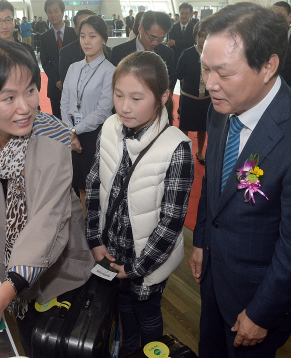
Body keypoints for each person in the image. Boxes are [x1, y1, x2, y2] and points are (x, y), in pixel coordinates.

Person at [189, 3, 291, 357]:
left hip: (258, 299)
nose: (209, 84)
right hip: (215, 276)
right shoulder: (222, 107)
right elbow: (216, 185)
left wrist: (262, 313)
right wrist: (201, 239)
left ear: (268, 66)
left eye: (224, 73)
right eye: (205, 68)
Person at [0, 39, 95, 355]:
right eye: (8, 97)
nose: (25, 107)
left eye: (30, 90)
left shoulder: (53, 137)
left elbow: (48, 221)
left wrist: (5, 293)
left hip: (55, 272)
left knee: (45, 343)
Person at [86, 50, 193, 356]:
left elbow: (172, 221)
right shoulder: (109, 127)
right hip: (110, 248)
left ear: (161, 97)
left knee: (146, 315)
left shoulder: (176, 147)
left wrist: (135, 268)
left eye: (136, 98)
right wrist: (95, 239)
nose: (124, 106)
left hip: (148, 259)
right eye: (118, 95)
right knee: (120, 310)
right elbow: (94, 185)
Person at [60, 16, 115, 211]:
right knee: (73, 185)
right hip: (70, 135)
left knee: (90, 187)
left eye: (92, 36)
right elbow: (64, 101)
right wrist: (69, 131)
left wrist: (75, 130)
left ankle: (90, 231)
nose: (86, 41)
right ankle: (78, 229)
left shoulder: (110, 71)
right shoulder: (73, 68)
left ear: (104, 39)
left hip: (94, 136)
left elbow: (103, 110)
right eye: (83, 36)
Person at [111, 11, 175, 92]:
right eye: (152, 37)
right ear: (141, 29)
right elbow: (113, 85)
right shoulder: (118, 52)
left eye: (160, 39)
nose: (155, 43)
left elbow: (169, 86)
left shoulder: (167, 53)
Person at [175, 22, 209, 165]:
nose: (203, 39)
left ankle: (200, 152)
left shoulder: (213, 54)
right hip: (189, 97)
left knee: (203, 127)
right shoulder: (187, 53)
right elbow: (178, 74)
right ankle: (185, 152)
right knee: (185, 126)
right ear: (195, 37)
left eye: (206, 36)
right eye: (200, 36)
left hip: (206, 98)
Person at [40, 0, 78, 119]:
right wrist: (57, 80)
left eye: (56, 11)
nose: (53, 15)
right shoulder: (44, 37)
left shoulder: (75, 33)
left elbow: (79, 59)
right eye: (49, 12)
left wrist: (67, 80)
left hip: (74, 86)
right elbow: (45, 62)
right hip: (55, 88)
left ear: (62, 12)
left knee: (75, 119)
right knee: (58, 119)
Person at [0, 1, 38, 75]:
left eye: (8, 20)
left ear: (14, 21)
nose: (4, 26)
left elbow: (36, 80)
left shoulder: (27, 50)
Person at [59, 9, 97, 83]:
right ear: (76, 30)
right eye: (82, 25)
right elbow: (67, 84)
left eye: (91, 25)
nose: (87, 29)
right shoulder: (66, 53)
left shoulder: (108, 52)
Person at [167, 3, 195, 70]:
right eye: (182, 13)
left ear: (191, 14)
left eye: (186, 13)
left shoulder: (194, 28)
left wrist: (175, 42)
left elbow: (191, 42)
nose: (184, 16)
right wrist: (185, 42)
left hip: (189, 59)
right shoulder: (173, 27)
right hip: (175, 59)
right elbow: (170, 43)